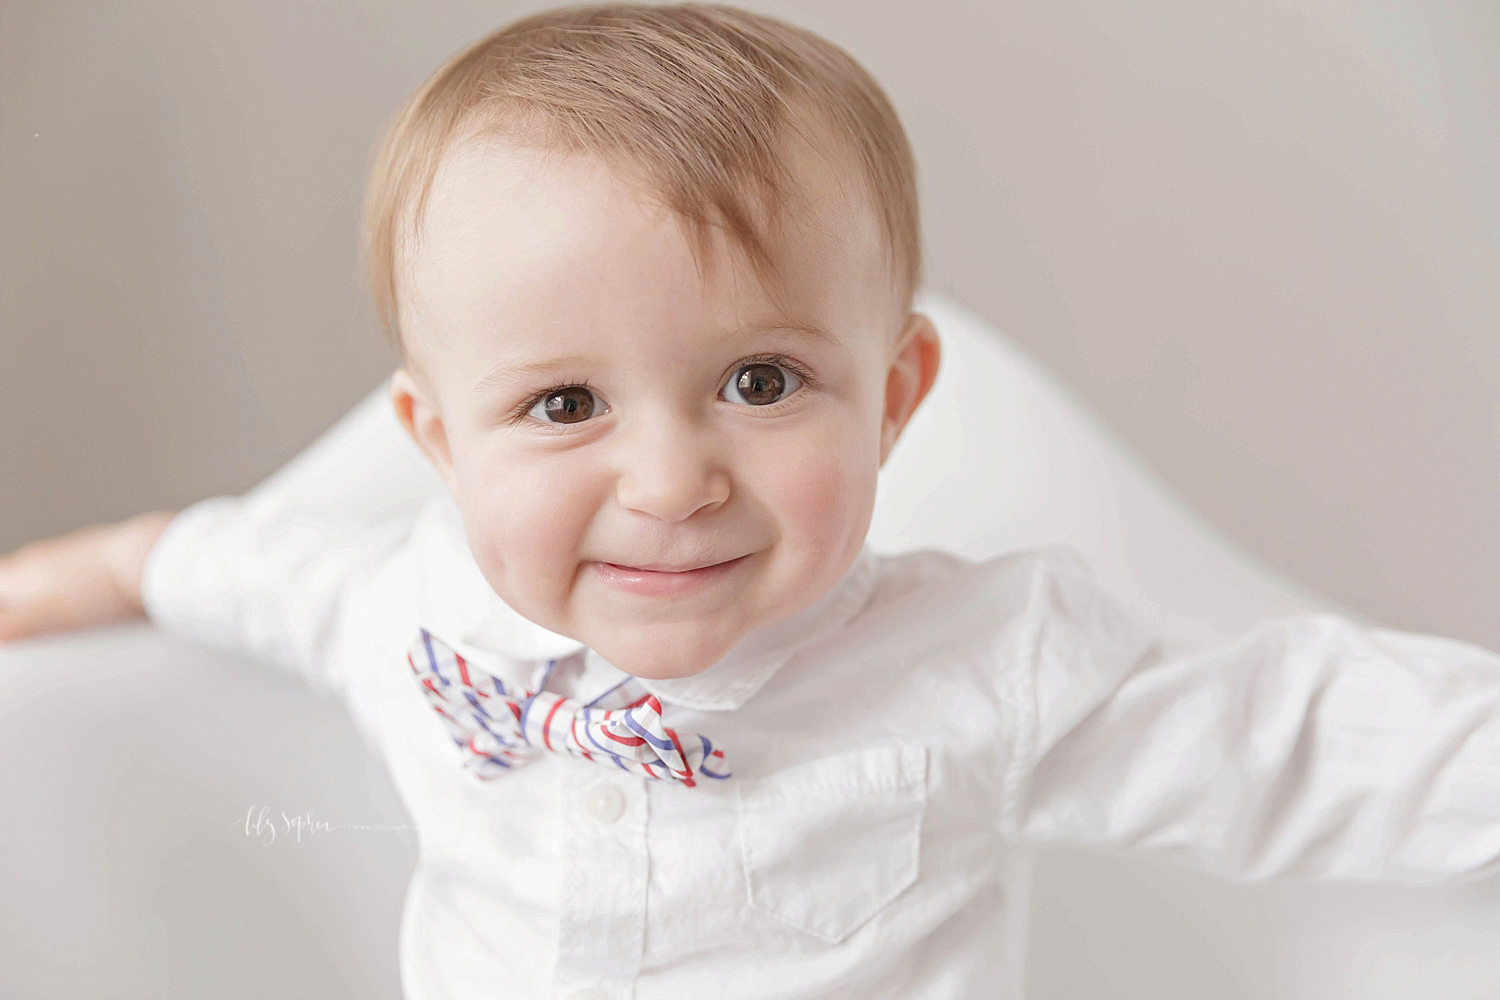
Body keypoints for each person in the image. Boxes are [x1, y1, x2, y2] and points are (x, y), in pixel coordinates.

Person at [1, 5, 1497, 998]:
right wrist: (115, 566)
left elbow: (1300, 731)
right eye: (565, 405)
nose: (669, 483)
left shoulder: (991, 656)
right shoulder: (411, 613)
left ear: (896, 394)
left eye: (763, 383)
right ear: (439, 442)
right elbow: (257, 577)